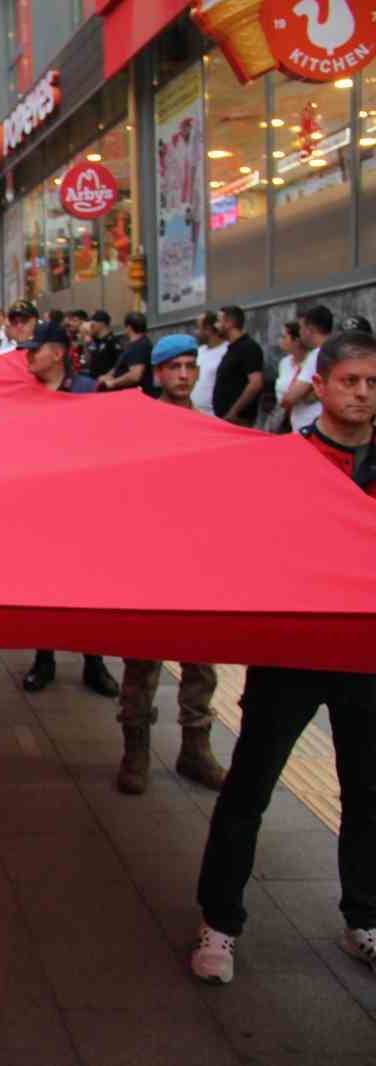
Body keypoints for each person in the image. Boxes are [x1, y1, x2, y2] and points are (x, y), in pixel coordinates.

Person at [191, 329, 376, 986]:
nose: (362, 393)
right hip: (290, 653)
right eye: (350, 380)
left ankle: (364, 918)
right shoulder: (283, 460)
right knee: (249, 789)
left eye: (372, 383)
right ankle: (218, 922)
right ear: (317, 386)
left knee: (367, 793)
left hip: (366, 660)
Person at [113, 334, 226, 796]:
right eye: (173, 367)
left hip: (199, 562)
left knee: (201, 662)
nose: (182, 375)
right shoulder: (137, 427)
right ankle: (135, 750)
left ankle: (195, 747)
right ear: (157, 373)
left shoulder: (210, 426)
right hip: (150, 563)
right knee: (141, 663)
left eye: (189, 366)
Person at [19, 321, 120, 698]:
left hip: (81, 509)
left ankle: (94, 662)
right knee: (43, 589)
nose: (29, 355)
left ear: (59, 353)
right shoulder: (22, 393)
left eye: (36, 349)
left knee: (87, 590)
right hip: (37, 507)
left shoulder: (87, 390)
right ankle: (43, 659)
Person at [281, 305, 333, 433]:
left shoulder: (318, 354)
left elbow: (291, 397)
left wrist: (303, 396)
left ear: (309, 329)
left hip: (310, 429)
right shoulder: (335, 349)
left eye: (301, 328)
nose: (299, 332)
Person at [213, 305, 265, 427]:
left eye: (219, 321)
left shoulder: (249, 347)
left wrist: (233, 412)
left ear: (229, 323)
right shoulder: (232, 349)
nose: (216, 326)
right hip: (225, 419)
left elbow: (255, 383)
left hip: (238, 421)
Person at [99, 312, 156, 397]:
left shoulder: (140, 345)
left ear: (128, 327)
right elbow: (119, 368)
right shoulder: (133, 345)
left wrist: (113, 383)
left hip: (136, 399)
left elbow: (135, 375)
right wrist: (107, 376)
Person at [192, 311, 228, 417]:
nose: (195, 332)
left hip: (214, 415)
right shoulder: (199, 351)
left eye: (198, 328)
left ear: (208, 329)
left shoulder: (226, 351)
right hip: (194, 412)